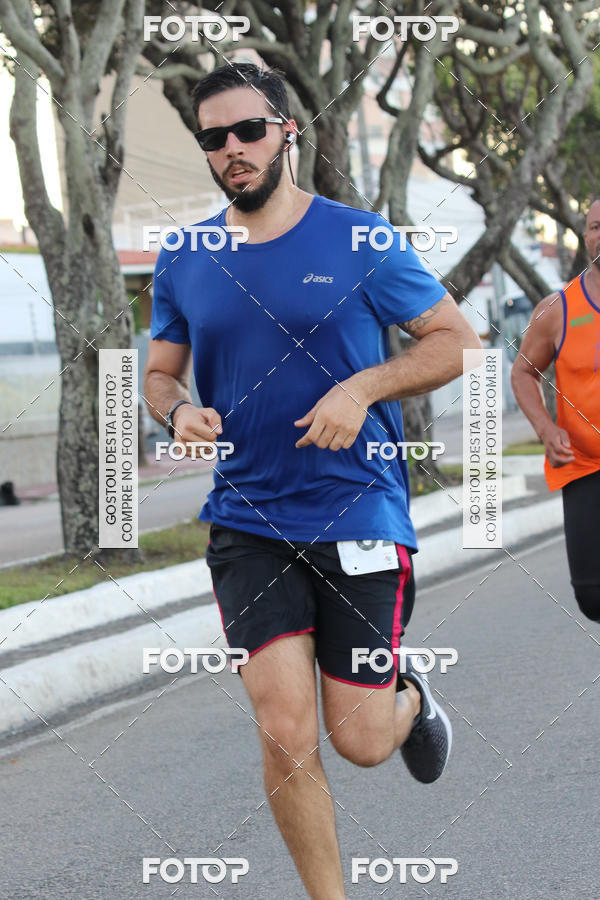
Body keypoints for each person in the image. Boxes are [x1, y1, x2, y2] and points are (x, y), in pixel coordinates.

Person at [144, 62, 481, 899]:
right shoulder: (186, 255)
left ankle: (407, 700)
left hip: (358, 507)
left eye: (248, 130)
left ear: (288, 131)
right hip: (248, 519)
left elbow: (455, 341)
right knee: (286, 731)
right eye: (213, 138)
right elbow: (157, 373)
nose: (232, 150)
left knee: (362, 738)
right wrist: (176, 411)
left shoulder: (360, 238)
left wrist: (361, 388)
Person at [511, 198, 600, 622]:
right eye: (597, 226)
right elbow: (523, 373)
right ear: (585, 236)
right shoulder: (557, 308)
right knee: (593, 597)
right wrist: (546, 430)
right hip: (585, 467)